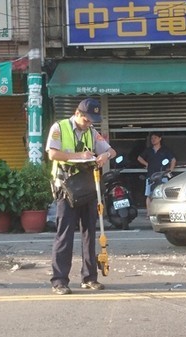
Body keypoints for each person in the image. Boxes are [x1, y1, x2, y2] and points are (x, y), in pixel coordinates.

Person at [45, 98, 116, 295]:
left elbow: (111, 150)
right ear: (77, 114)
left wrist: (104, 156)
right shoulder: (59, 128)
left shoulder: (92, 132)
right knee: (64, 235)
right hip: (66, 188)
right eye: (86, 120)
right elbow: (52, 154)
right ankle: (59, 281)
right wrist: (78, 156)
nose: (89, 124)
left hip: (87, 187)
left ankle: (89, 277)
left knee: (89, 234)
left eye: (92, 121)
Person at [137, 132, 176, 215]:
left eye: (155, 138)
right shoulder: (148, 150)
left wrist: (170, 170)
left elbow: (173, 159)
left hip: (162, 176)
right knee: (149, 195)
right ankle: (149, 212)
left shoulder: (165, 150)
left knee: (164, 194)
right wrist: (147, 164)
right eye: (152, 138)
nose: (153, 140)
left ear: (160, 139)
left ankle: (165, 212)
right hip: (150, 175)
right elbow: (139, 158)